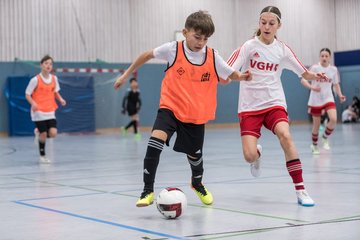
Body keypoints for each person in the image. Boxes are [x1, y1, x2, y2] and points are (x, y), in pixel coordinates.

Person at [114, 10, 252, 207]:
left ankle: (197, 184)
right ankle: (147, 191)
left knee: (195, 156)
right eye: (197, 37)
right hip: (170, 107)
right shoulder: (173, 49)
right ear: (185, 32)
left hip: (195, 114)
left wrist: (243, 76)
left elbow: (231, 74)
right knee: (155, 141)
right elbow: (146, 55)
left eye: (205, 38)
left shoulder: (213, 56)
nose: (201, 42)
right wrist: (125, 75)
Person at [227, 6, 328, 207]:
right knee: (249, 156)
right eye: (263, 22)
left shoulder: (283, 50)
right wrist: (238, 76)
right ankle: (258, 154)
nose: (266, 26)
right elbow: (228, 70)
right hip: (249, 107)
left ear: (278, 25)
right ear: (259, 23)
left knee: (286, 135)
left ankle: (301, 190)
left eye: (271, 23)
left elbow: (303, 72)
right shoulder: (248, 47)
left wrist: (314, 75)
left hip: (274, 103)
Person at [301, 48, 346, 154]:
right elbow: (303, 80)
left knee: (334, 119)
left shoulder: (334, 70)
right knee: (316, 125)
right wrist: (312, 88)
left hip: (328, 97)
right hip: (315, 99)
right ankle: (314, 145)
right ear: (319, 57)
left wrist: (340, 95)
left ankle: (325, 137)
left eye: (326, 56)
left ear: (330, 57)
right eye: (322, 56)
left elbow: (336, 84)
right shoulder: (315, 68)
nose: (324, 58)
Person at [25, 55, 66, 163]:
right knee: (43, 133)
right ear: (41, 65)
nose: (48, 65)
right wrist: (33, 103)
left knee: (53, 133)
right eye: (46, 63)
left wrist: (61, 99)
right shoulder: (35, 80)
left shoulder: (54, 78)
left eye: (50, 64)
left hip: (50, 109)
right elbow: (27, 94)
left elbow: (55, 91)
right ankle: (42, 156)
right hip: (38, 111)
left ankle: (39, 133)